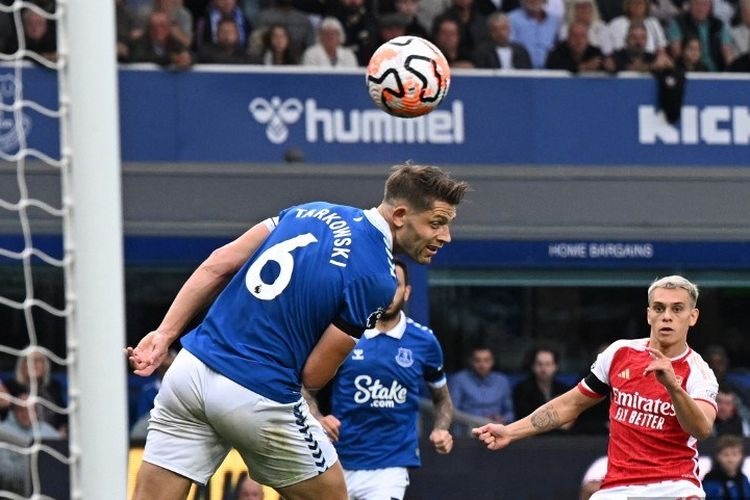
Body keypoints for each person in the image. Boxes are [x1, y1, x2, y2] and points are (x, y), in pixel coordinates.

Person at [126, 164, 469, 500]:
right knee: (334, 494)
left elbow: (219, 263)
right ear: (400, 215)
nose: (446, 237)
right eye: (436, 223)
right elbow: (314, 374)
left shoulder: (310, 211)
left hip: (190, 370)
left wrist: (164, 334)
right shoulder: (378, 278)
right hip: (258, 392)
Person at [474, 275, 719, 499]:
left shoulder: (700, 372)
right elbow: (571, 404)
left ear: (693, 316)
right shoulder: (619, 353)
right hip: (618, 488)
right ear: (648, 314)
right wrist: (510, 431)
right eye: (659, 308)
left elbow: (701, 429)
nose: (667, 316)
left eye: (677, 309)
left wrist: (674, 389)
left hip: (675, 486)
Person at [305, 259, 454, 500]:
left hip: (390, 467)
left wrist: (441, 429)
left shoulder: (425, 342)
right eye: (384, 285)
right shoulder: (345, 335)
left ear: (406, 292)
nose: (388, 292)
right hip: (336, 461)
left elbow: (443, 399)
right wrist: (318, 418)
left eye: (395, 285)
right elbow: (305, 389)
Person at [449, 345, 514, 434]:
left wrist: (502, 419)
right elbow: (453, 412)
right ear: (471, 361)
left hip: (496, 430)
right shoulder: (459, 379)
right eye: (477, 361)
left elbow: (510, 412)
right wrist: (480, 420)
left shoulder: (502, 381)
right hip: (468, 430)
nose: (482, 365)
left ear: (492, 361)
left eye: (486, 360)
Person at [512, 346, 570, 423]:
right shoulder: (522, 389)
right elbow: (523, 418)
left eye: (548, 364)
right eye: (539, 364)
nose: (543, 369)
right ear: (533, 366)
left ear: (556, 366)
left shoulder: (563, 389)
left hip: (561, 433)